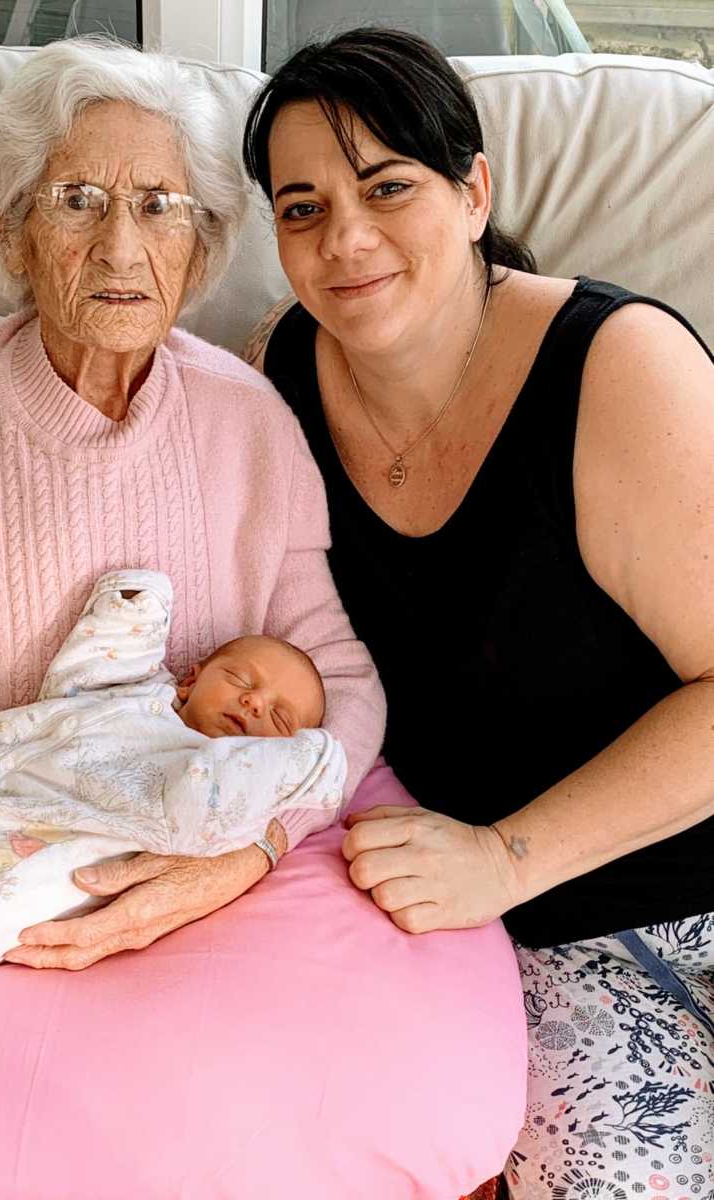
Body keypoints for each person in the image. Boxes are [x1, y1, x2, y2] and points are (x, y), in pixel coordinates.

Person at [0, 35, 385, 1019]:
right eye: (78, 200)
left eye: (159, 207)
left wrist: (252, 852)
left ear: (200, 246)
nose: (122, 248)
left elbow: (345, 686)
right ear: (16, 234)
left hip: (187, 896)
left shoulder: (253, 424)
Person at [242, 27, 714, 1196]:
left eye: (387, 186)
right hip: (540, 940)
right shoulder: (278, 374)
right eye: (302, 209)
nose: (344, 238)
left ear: (473, 192)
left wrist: (505, 858)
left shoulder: (620, 368)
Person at [0, 569, 345, 996]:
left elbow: (215, 798)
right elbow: (83, 676)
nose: (253, 702)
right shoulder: (141, 692)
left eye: (278, 720)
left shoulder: (208, 790)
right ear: (191, 677)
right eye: (240, 680)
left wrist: (310, 763)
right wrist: (137, 605)